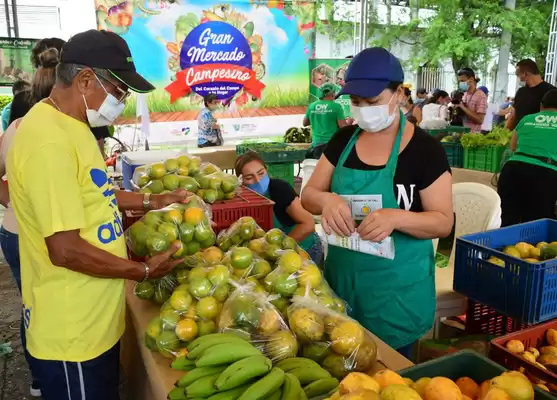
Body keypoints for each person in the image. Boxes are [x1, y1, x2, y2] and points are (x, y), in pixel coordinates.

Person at [5, 29, 188, 399]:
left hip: (93, 322)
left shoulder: (71, 126)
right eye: (119, 91)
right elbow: (65, 250)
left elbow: (94, 191)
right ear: (86, 79)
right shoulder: (49, 141)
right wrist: (145, 270)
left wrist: (155, 200)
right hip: (72, 335)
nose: (121, 102)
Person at [300, 47, 454, 358]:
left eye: (373, 102)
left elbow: (442, 221)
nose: (363, 110)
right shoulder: (342, 141)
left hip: (396, 296)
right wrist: (327, 200)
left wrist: (397, 218)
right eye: (356, 103)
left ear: (399, 94)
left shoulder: (425, 151)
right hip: (343, 286)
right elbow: (309, 195)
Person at [235, 151, 324, 264]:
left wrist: (280, 249)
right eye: (249, 177)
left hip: (304, 248)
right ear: (241, 181)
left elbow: (308, 224)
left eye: (261, 173)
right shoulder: (241, 199)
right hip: (272, 251)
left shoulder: (280, 189)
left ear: (266, 170)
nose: (258, 180)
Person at [498, 89, 557, 226]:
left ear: (541, 105)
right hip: (545, 175)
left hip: (513, 170)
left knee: (506, 220)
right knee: (535, 225)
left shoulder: (527, 119)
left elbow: (513, 147)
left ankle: (499, 247)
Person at [507, 59, 555, 150]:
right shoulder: (521, 92)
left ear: (525, 73)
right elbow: (513, 115)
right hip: (518, 139)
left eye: (518, 74)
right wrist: (504, 133)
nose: (518, 77)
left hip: (539, 143)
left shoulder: (551, 92)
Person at [303, 83, 348, 159]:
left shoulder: (312, 106)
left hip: (316, 144)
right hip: (331, 144)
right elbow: (343, 126)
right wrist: (349, 122)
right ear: (332, 93)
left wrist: (317, 116)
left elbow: (305, 123)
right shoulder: (336, 107)